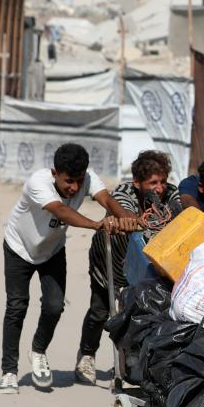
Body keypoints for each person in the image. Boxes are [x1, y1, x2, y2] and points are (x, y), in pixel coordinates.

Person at [0, 143, 139, 394]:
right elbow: (61, 211)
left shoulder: (88, 178)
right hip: (19, 248)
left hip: (51, 251)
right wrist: (96, 224)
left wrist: (126, 217)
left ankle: (38, 351)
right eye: (68, 182)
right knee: (17, 306)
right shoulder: (38, 182)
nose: (74, 188)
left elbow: (107, 199)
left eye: (79, 181)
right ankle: (9, 371)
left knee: (54, 306)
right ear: (55, 173)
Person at [75, 151, 180, 384]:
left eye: (163, 181)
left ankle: (130, 361)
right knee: (100, 310)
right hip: (110, 261)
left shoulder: (172, 194)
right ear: (137, 183)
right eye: (153, 183)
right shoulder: (123, 193)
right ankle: (87, 354)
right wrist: (130, 220)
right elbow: (124, 213)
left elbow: (182, 211)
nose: (160, 188)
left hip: (147, 265)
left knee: (142, 311)